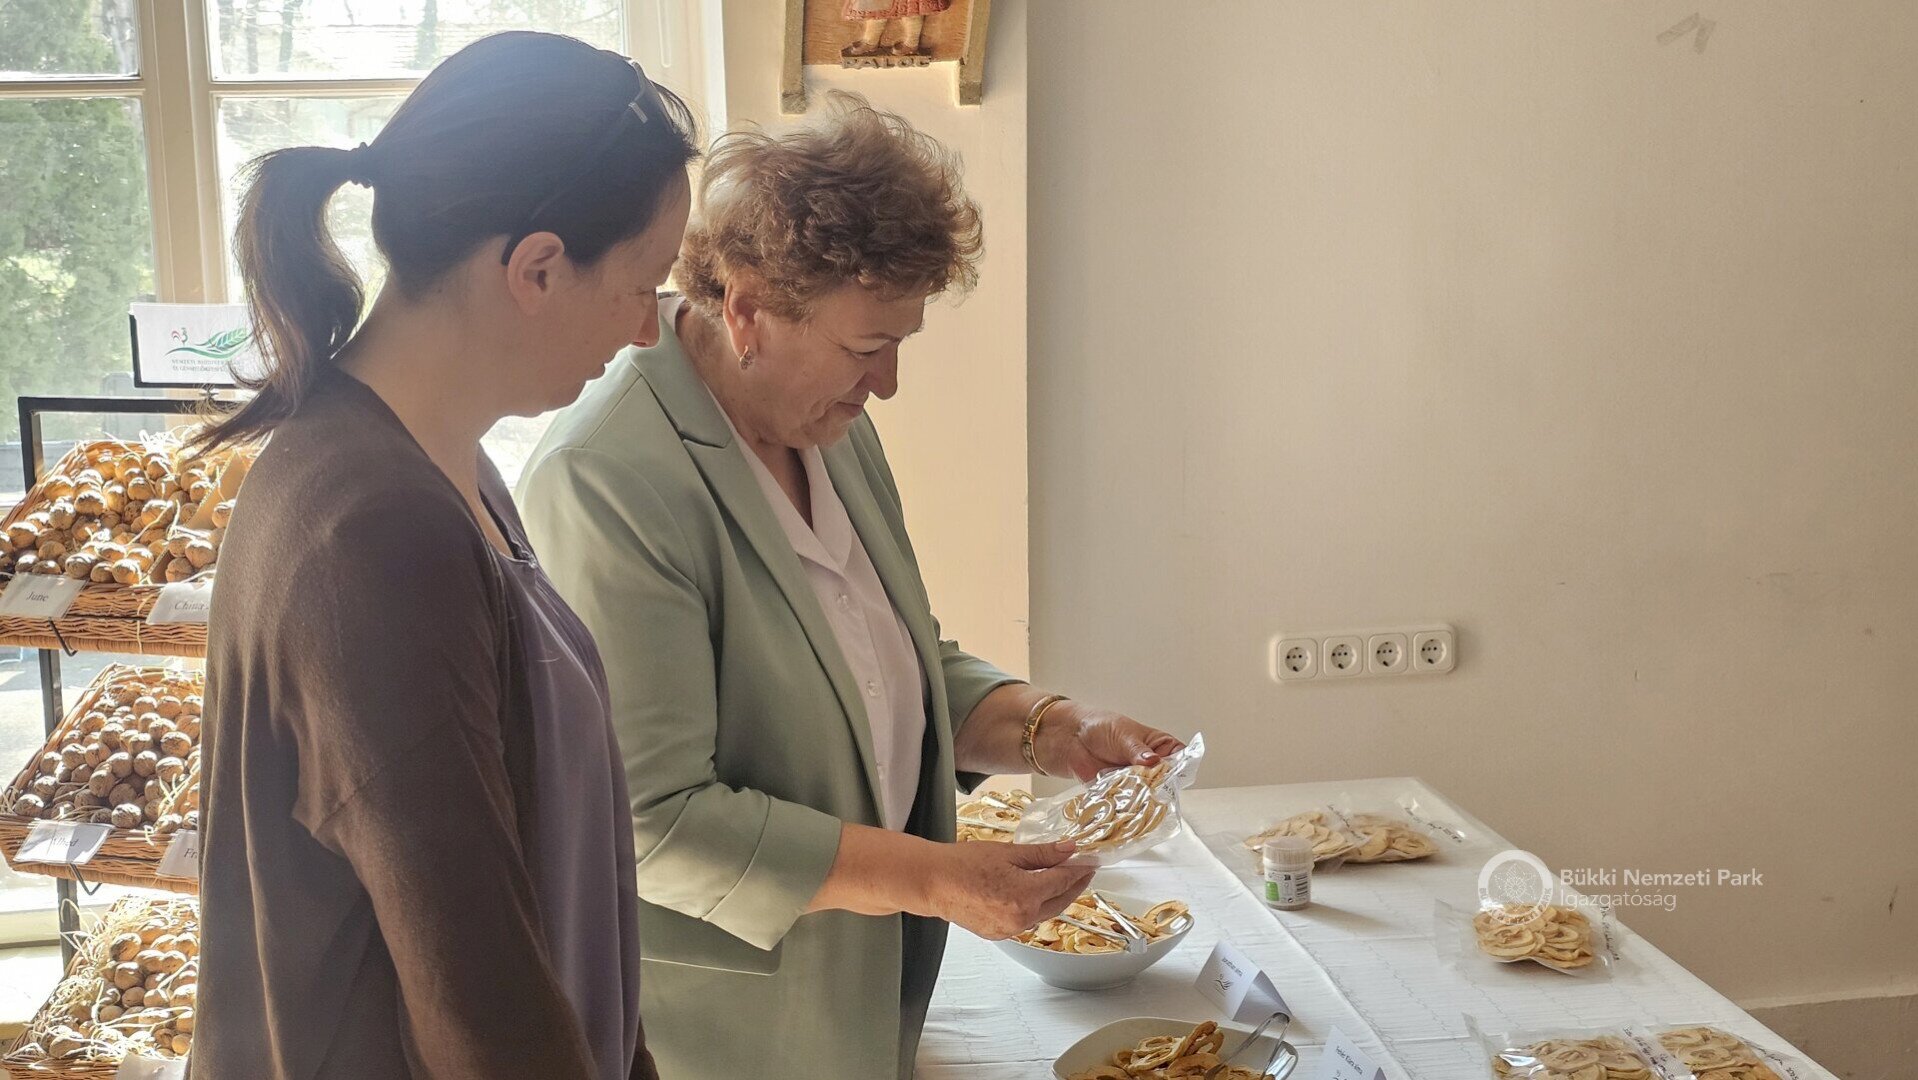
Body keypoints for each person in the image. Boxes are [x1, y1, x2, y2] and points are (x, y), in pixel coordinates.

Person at [518, 95, 1183, 1079]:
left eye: (900, 344)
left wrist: (1051, 727)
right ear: (747, 309)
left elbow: (887, 664)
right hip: (725, 1035)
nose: (888, 385)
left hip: (860, 1000)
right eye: (868, 349)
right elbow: (653, 820)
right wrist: (937, 880)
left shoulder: (825, 426)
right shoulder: (607, 478)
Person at [192, 32, 696, 1080]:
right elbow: (478, 1004)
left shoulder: (447, 471)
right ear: (537, 269)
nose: (648, 331)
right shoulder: (376, 534)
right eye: (643, 284)